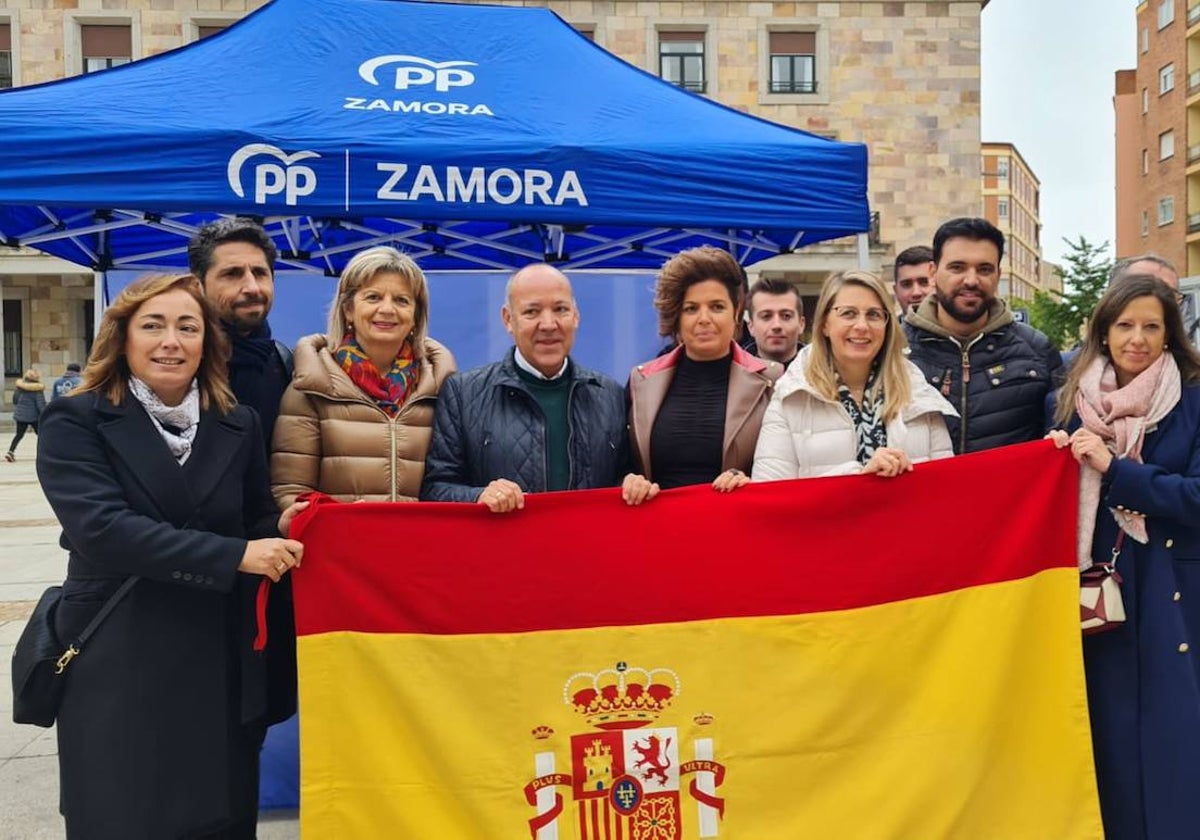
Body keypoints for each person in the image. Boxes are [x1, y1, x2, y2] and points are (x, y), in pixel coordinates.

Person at [35, 273, 307, 839]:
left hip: (219, 658)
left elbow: (253, 517)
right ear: (123, 335)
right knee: (121, 812)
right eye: (153, 325)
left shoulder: (237, 421)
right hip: (116, 653)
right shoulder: (76, 419)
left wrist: (286, 524)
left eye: (188, 327)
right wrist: (236, 555)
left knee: (219, 815)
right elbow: (103, 530)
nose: (171, 341)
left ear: (207, 342)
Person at [1045, 274, 1200, 840]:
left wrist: (1116, 470)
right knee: (1104, 730)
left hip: (1171, 586)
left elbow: (1196, 498)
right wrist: (1055, 463)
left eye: (1152, 327)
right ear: (1103, 332)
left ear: (1170, 335)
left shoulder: (1193, 399)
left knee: (1174, 733)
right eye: (1125, 325)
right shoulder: (1064, 404)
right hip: (1094, 590)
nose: (1138, 338)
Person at [421, 263, 628, 512]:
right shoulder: (463, 394)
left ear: (576, 316)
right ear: (508, 319)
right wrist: (480, 496)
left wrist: (632, 483)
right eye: (532, 312)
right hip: (502, 549)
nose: (549, 324)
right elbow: (435, 488)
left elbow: (626, 479)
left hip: (587, 548)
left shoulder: (610, 395)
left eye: (560, 309)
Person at [272, 246, 456, 505]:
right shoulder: (312, 386)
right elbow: (290, 490)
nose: (387, 309)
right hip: (342, 542)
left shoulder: (443, 388)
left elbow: (454, 482)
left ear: (416, 316)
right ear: (348, 310)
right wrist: (345, 521)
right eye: (373, 297)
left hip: (421, 542)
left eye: (402, 300)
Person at [752, 270, 955, 480]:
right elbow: (772, 495)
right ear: (824, 325)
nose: (861, 326)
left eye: (874, 314)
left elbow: (945, 487)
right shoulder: (791, 396)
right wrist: (857, 479)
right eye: (848, 313)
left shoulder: (919, 394)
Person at [624, 245, 783, 501]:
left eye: (717, 306)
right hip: (661, 533)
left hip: (738, 529)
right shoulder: (640, 381)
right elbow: (625, 464)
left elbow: (785, 468)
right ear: (676, 317)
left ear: (736, 313)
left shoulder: (773, 381)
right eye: (691, 308)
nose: (704, 318)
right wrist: (630, 480)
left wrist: (753, 482)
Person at [904, 217, 1062, 454]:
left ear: (998, 274)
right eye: (957, 267)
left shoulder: (1037, 350)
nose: (971, 280)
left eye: (984, 269)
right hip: (922, 491)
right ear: (933, 272)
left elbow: (1060, 430)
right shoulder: (895, 349)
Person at [188, 218, 291, 452]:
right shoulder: (178, 361)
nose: (252, 287)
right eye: (232, 274)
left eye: (260, 273)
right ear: (197, 285)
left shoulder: (285, 364)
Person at [745, 277, 805, 368]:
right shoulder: (731, 374)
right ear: (751, 326)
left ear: (801, 324)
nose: (776, 325)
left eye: (786, 316)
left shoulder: (826, 375)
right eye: (766, 316)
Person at [6, 368, 45, 462]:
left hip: (21, 415)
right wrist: (44, 414)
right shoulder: (37, 390)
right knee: (41, 435)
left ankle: (10, 451)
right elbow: (40, 405)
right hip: (34, 417)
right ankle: (44, 453)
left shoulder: (19, 388)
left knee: (19, 434)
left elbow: (15, 400)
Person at [892, 244, 934, 316]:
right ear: (896, 291)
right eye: (906, 284)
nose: (916, 293)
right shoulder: (886, 327)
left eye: (924, 282)